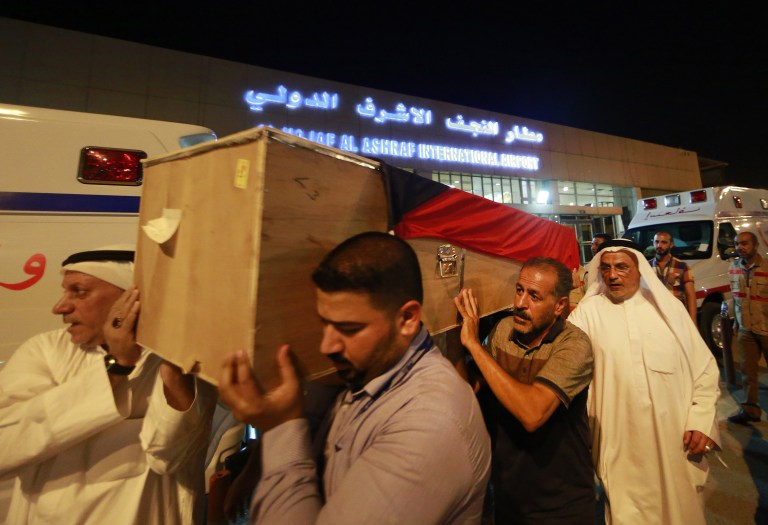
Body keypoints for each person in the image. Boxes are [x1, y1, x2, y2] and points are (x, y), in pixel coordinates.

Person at [218, 232, 491, 524]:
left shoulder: (430, 422)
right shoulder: (370, 371)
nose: (327, 346)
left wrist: (281, 428)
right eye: (324, 323)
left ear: (408, 319)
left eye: (348, 328)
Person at [0, 245, 216, 524]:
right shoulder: (45, 350)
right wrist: (116, 367)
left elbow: (170, 457)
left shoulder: (180, 357)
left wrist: (174, 372)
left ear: (131, 298)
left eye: (80, 292)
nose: (60, 307)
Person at [568, 238, 720, 525]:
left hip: (674, 441)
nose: (612, 275)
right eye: (607, 268)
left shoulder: (668, 310)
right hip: (619, 444)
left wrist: (701, 419)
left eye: (622, 267)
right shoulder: (589, 313)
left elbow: (705, 369)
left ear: (639, 269)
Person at [454, 257, 594, 524]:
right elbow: (470, 389)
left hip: (563, 505)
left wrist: (474, 346)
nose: (520, 304)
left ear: (559, 306)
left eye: (534, 296)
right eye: (519, 290)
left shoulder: (574, 345)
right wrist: (456, 334)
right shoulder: (503, 331)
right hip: (509, 500)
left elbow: (532, 413)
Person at [726, 231, 768, 425]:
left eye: (744, 243)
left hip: (766, 329)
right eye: (737, 244)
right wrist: (736, 321)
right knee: (748, 372)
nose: (740, 247)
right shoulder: (733, 267)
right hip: (745, 329)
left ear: (756, 245)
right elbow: (736, 299)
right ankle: (751, 410)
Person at [650, 231, 698, 325]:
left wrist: (693, 322)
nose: (659, 245)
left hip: (677, 317)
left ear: (671, 245)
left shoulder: (682, 266)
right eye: (657, 242)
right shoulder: (646, 267)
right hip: (655, 317)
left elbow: (690, 296)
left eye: (664, 242)